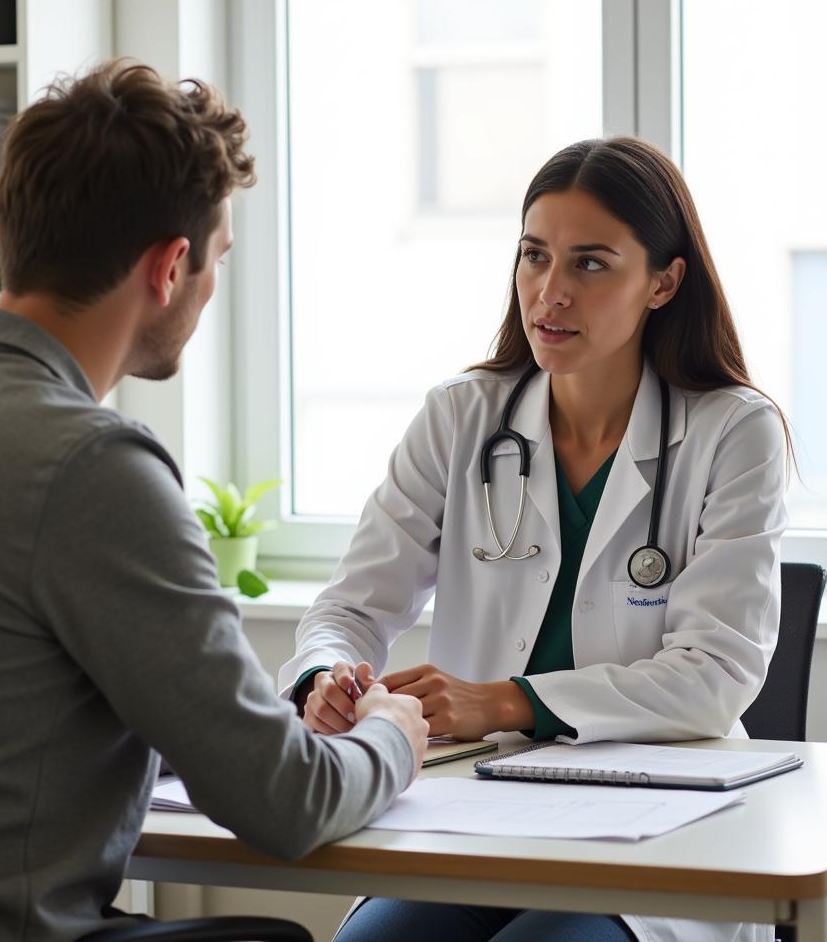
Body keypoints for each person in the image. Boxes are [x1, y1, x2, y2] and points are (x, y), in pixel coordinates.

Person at [0, 60, 428, 942]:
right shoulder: (91, 465)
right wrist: (396, 731)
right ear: (172, 267)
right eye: (217, 261)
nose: (211, 287)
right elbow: (291, 802)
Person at [279, 137, 788, 942]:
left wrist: (504, 701)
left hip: (657, 826)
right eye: (534, 256)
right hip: (476, 814)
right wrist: (323, 678)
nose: (549, 293)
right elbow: (350, 606)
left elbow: (716, 677)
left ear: (664, 280)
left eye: (590, 264)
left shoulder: (733, 431)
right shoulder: (462, 417)